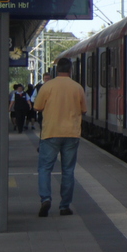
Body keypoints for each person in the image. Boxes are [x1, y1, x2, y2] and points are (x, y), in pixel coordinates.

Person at [34, 58, 87, 217]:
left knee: (44, 168)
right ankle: (64, 206)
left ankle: (45, 199)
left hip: (50, 133)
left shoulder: (47, 86)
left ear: (56, 70)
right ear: (70, 70)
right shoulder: (77, 87)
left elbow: (37, 107)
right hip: (71, 134)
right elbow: (84, 110)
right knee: (68, 170)